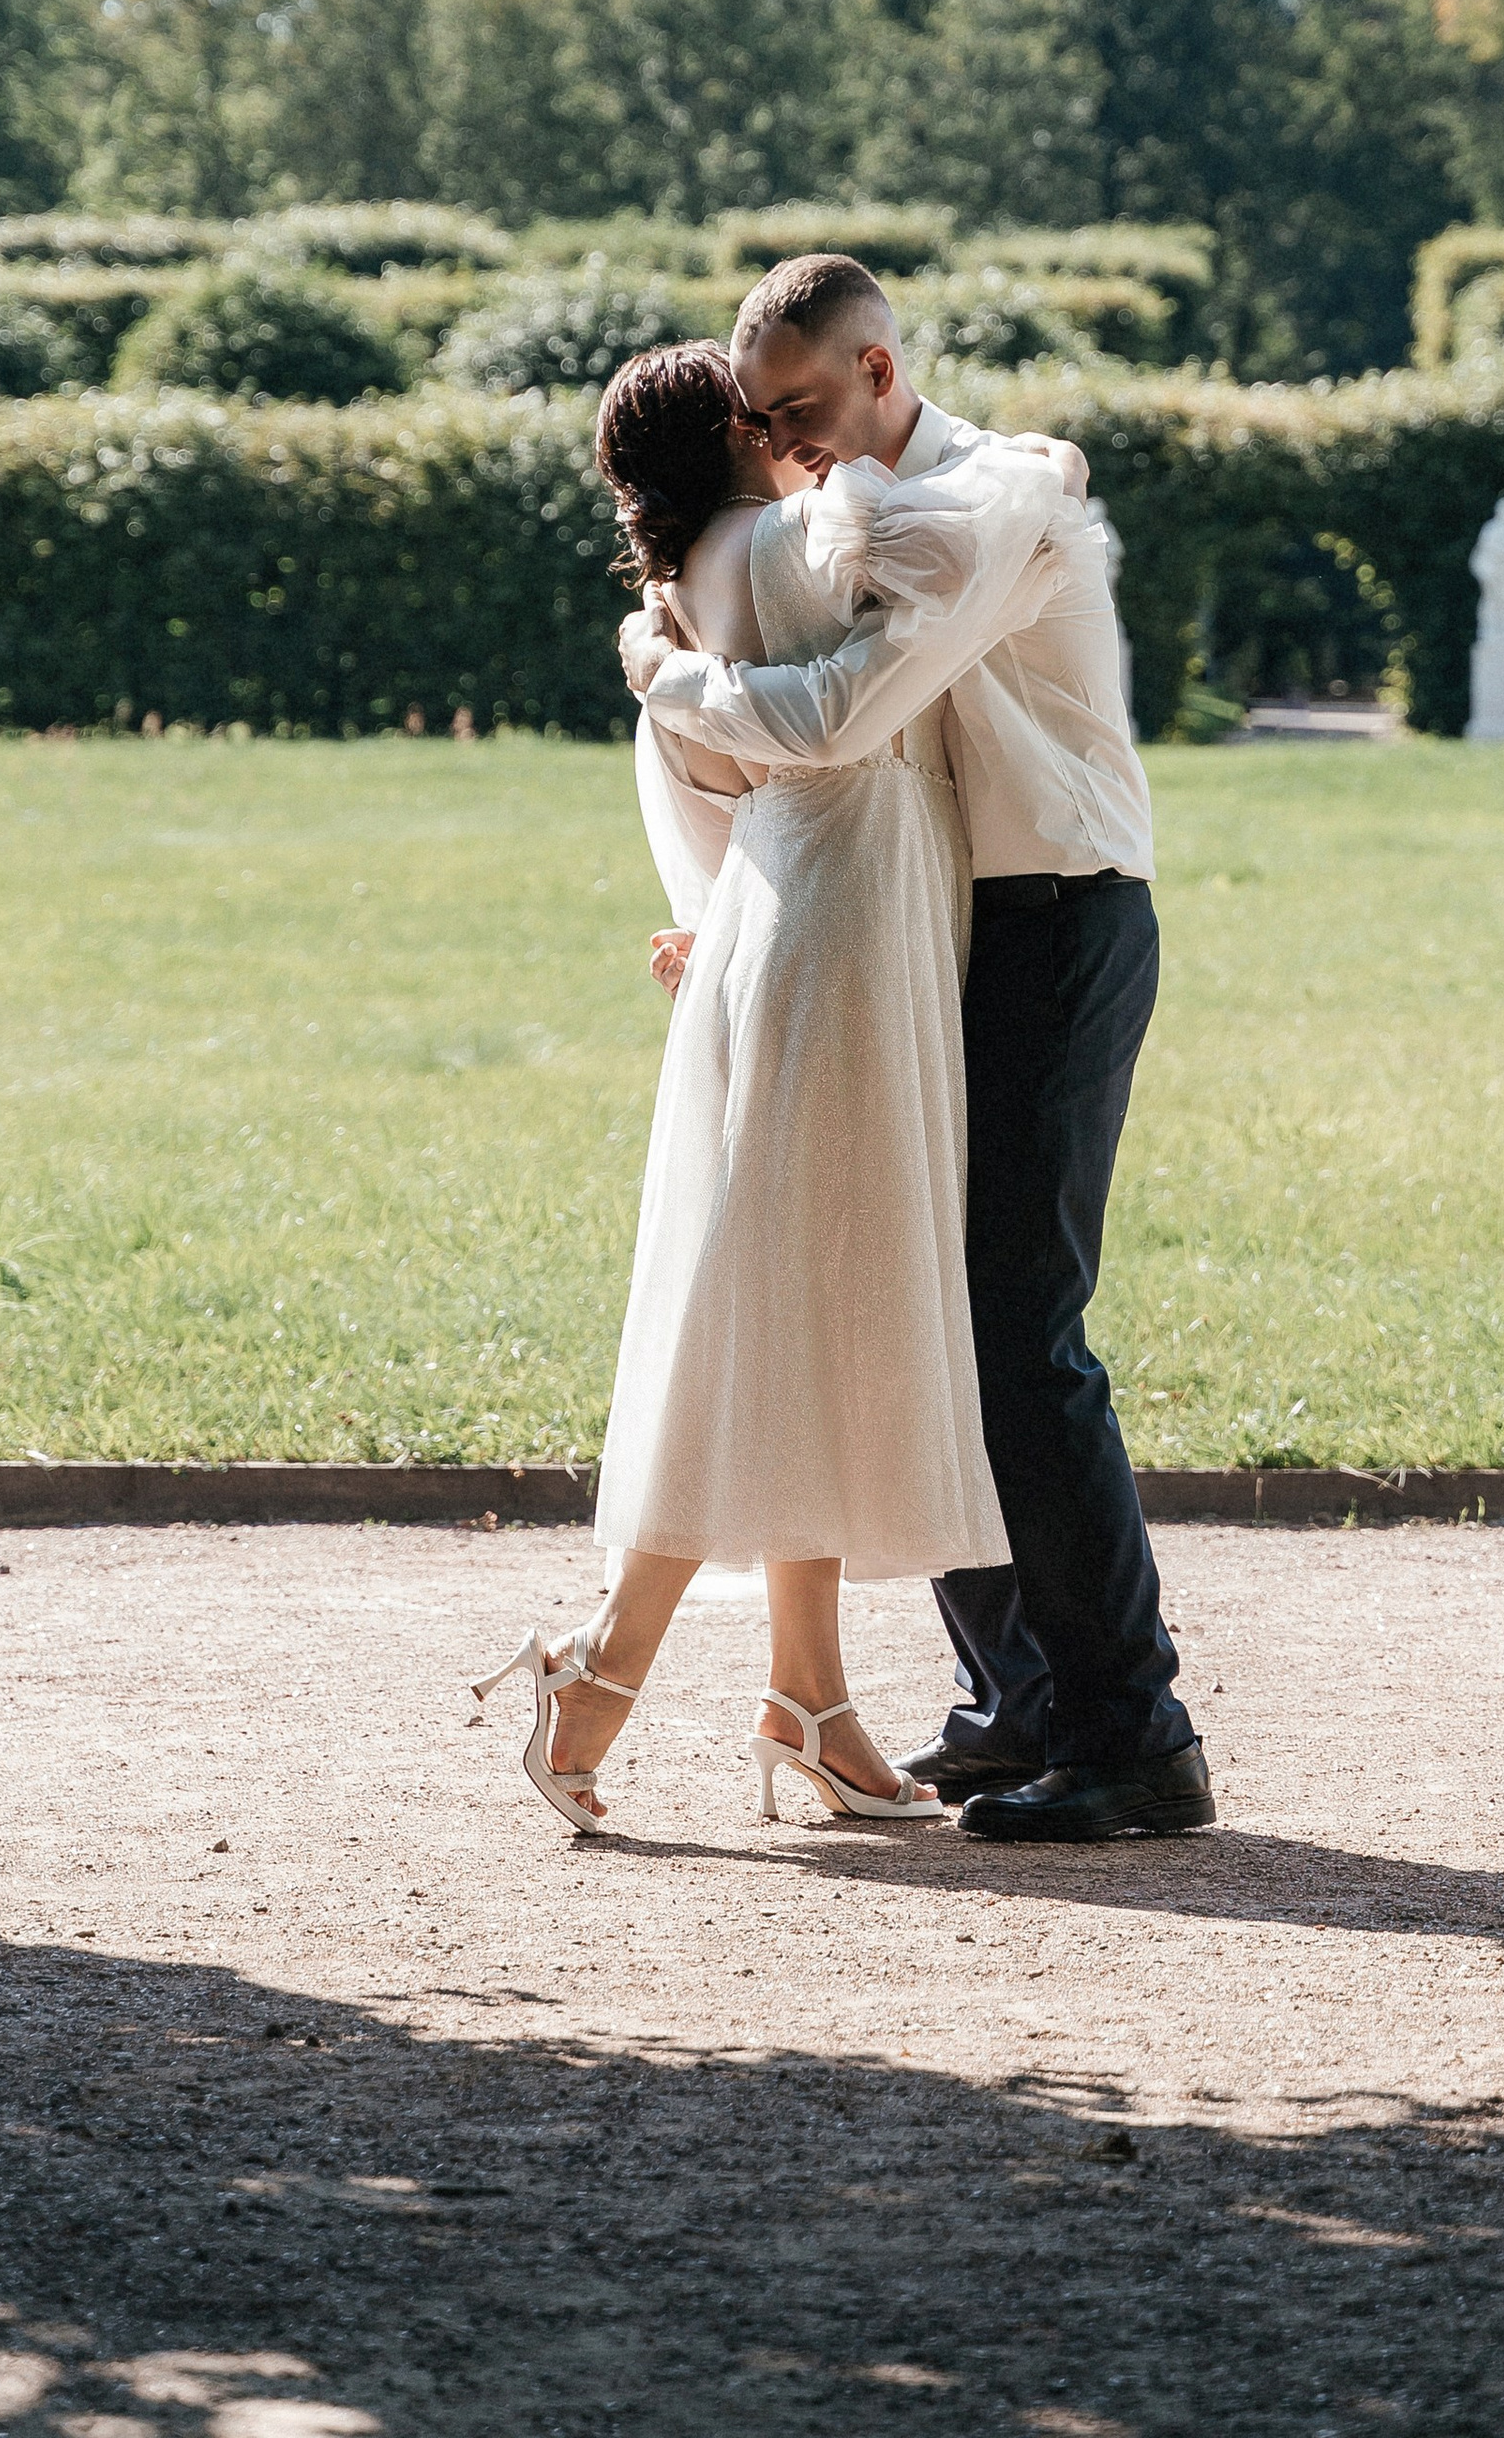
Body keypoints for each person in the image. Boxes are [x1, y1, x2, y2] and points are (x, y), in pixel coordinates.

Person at [623, 254, 1213, 1846]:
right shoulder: (850, 523)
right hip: (947, 930)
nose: (787, 443)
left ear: (881, 371)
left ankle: (1129, 1730)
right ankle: (1026, 1699)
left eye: (805, 408)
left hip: (1058, 920)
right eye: (762, 421)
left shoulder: (990, 502)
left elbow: (831, 722)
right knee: (921, 1302)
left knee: (1019, 1328)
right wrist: (734, 910)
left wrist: (662, 662)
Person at [474, 335, 1061, 1835]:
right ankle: (601, 1668)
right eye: (762, 410)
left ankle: (811, 1696)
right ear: (731, 435)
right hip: (838, 950)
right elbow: (974, 508)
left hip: (805, 929)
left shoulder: (692, 585)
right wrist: (1024, 464)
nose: (786, 424)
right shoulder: (784, 541)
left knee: (801, 1308)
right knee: (779, 1304)